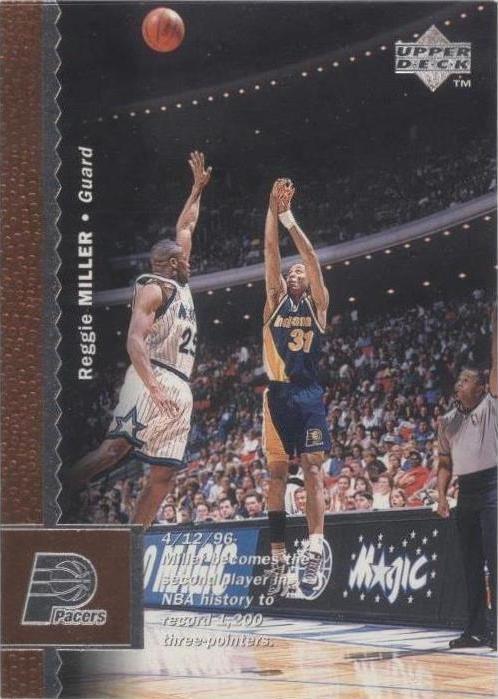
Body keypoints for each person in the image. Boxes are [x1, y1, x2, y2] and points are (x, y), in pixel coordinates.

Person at [65, 152, 212, 527]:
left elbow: (186, 226)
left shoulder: (181, 284)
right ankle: (53, 495)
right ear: (173, 263)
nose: (190, 260)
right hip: (154, 376)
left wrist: (196, 189)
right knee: (113, 451)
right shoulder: (152, 288)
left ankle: (133, 539)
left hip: (180, 383)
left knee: (164, 476)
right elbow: (134, 340)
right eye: (185, 259)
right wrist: (153, 387)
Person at [262, 178, 330, 595]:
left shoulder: (318, 304)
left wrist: (289, 218)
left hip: (308, 394)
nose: (295, 271)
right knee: (276, 475)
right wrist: (271, 209)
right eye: (291, 272)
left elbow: (312, 258)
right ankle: (277, 557)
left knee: (313, 468)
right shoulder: (274, 300)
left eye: (299, 271)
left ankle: (316, 546)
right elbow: (271, 254)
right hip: (277, 394)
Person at [437, 307, 497, 650]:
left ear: (481, 386)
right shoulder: (447, 421)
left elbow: (496, 362)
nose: (459, 383)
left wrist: (495, 328)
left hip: (493, 487)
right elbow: (444, 462)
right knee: (471, 564)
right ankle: (475, 630)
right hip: (466, 492)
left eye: (466, 380)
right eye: (458, 380)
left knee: (496, 560)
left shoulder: (491, 405)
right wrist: (441, 495)